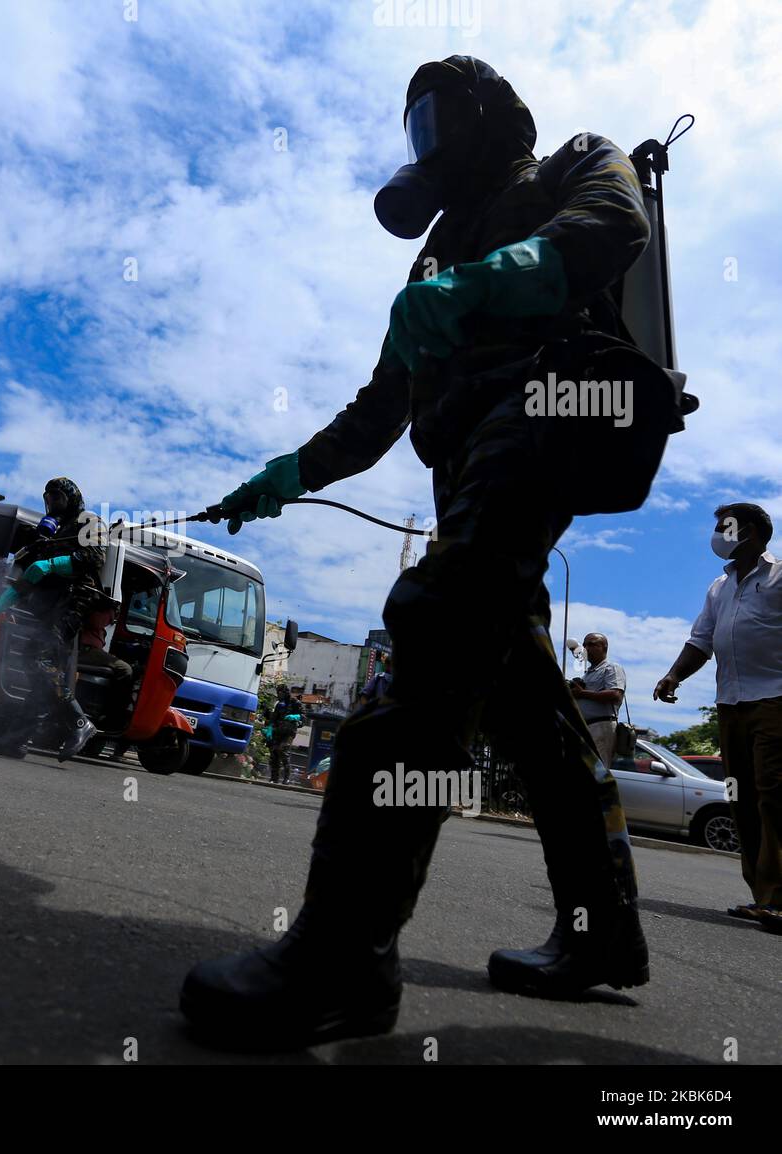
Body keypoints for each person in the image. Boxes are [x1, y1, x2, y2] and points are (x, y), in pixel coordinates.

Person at [180, 56, 652, 1049]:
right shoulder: (427, 260)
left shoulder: (571, 161)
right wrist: (277, 479)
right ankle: (598, 933)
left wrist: (491, 280)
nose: (425, 137)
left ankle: (346, 957)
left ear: (485, 115)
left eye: (439, 115)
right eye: (414, 123)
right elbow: (373, 416)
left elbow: (614, 225)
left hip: (553, 417)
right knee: (524, 703)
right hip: (471, 481)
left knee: (434, 625)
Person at [654, 503, 782, 933]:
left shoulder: (780, 577)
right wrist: (674, 674)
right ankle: (762, 896)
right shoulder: (718, 587)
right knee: (740, 796)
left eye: (725, 526)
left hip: (774, 704)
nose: (718, 534)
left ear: (752, 533)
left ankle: (779, 899)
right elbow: (701, 641)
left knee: (774, 795)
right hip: (730, 706)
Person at [0, 477, 105, 763]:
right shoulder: (50, 532)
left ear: (71, 497)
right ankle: (16, 739)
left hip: (74, 599)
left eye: (57, 498)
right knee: (37, 668)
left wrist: (52, 564)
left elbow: (93, 557)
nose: (52, 504)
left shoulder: (89, 521)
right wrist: (0, 603)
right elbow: (30, 577)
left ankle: (80, 721)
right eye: (48, 499)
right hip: (48, 604)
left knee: (40, 660)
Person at [570, 634, 626, 768]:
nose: (586, 648)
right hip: (586, 728)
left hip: (601, 726)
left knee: (597, 770)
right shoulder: (588, 673)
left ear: (604, 647)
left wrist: (582, 693)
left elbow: (615, 694)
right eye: (584, 645)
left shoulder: (611, 668)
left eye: (591, 644)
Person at [266, 687, 304, 785]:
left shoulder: (295, 702)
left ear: (286, 693)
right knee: (274, 753)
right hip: (278, 731)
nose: (279, 695)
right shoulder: (279, 704)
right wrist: (269, 729)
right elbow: (273, 718)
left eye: (281, 693)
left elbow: (303, 716)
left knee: (282, 750)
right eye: (278, 692)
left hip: (289, 732)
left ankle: (286, 778)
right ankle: (274, 778)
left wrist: (295, 716)